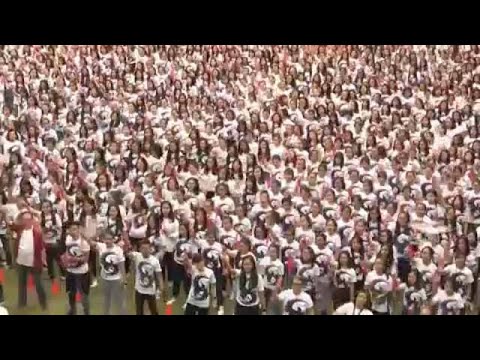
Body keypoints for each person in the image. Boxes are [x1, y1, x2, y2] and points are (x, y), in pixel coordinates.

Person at [13, 210, 47, 310]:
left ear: (32, 220)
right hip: (21, 261)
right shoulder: (20, 229)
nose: (26, 221)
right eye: (24, 219)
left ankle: (43, 304)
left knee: (38, 284)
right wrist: (21, 213)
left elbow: (42, 248)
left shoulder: (37, 231)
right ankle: (21, 304)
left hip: (34, 262)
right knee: (22, 283)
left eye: (28, 219)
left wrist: (43, 261)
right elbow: (14, 223)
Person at [90, 231, 126, 315]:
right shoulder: (101, 246)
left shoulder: (118, 250)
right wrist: (96, 233)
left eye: (110, 239)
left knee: (119, 302)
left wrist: (123, 279)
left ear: (114, 240)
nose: (107, 241)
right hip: (105, 279)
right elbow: (90, 242)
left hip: (116, 280)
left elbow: (121, 265)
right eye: (106, 239)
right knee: (106, 301)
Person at [62, 222, 90, 315]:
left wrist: (73, 259)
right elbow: (67, 252)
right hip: (70, 271)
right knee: (71, 293)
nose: (73, 231)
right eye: (71, 229)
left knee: (83, 295)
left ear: (79, 230)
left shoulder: (84, 243)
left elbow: (85, 259)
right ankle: (72, 311)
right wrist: (65, 259)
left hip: (81, 272)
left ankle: (86, 312)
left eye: (75, 229)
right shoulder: (68, 239)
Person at [130, 240, 164, 315]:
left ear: (150, 249)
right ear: (140, 249)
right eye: (143, 248)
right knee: (139, 311)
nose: (145, 250)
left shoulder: (154, 261)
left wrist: (161, 286)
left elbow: (159, 275)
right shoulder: (137, 256)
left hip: (150, 290)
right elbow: (129, 254)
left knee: (154, 311)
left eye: (146, 248)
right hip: (139, 289)